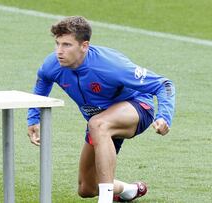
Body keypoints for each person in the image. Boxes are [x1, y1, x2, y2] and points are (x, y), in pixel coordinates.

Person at [27, 16, 175, 203]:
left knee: (97, 123)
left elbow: (164, 84)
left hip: (137, 108)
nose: (59, 51)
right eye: (57, 44)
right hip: (100, 121)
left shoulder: (111, 65)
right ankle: (129, 190)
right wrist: (33, 118)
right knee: (86, 188)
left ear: (84, 46)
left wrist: (164, 117)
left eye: (66, 45)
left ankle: (105, 200)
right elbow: (43, 80)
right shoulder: (53, 64)